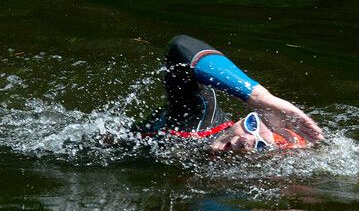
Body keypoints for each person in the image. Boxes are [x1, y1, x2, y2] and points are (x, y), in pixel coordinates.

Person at [136, 35, 324, 151]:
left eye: (260, 146)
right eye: (252, 124)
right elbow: (181, 46)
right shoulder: (202, 121)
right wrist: (261, 98)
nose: (245, 140)